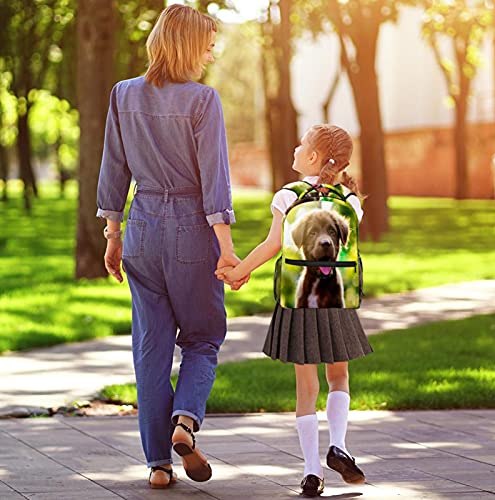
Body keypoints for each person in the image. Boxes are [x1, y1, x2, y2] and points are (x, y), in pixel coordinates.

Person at [96, 4, 248, 489]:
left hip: (140, 227)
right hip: (190, 229)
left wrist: (113, 235)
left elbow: (113, 170)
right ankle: (185, 421)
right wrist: (226, 249)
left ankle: (158, 464)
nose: (209, 55)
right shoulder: (204, 100)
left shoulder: (123, 95)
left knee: (151, 348)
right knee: (203, 338)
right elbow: (214, 183)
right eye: (205, 46)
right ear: (185, 46)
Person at [216, 124, 373, 497]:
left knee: (306, 387)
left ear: (314, 157)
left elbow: (273, 244)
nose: (295, 147)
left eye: (301, 144)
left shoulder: (288, 196)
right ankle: (340, 445)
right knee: (339, 377)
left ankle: (311, 471)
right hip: (337, 299)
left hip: (299, 298)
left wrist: (238, 272)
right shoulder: (350, 200)